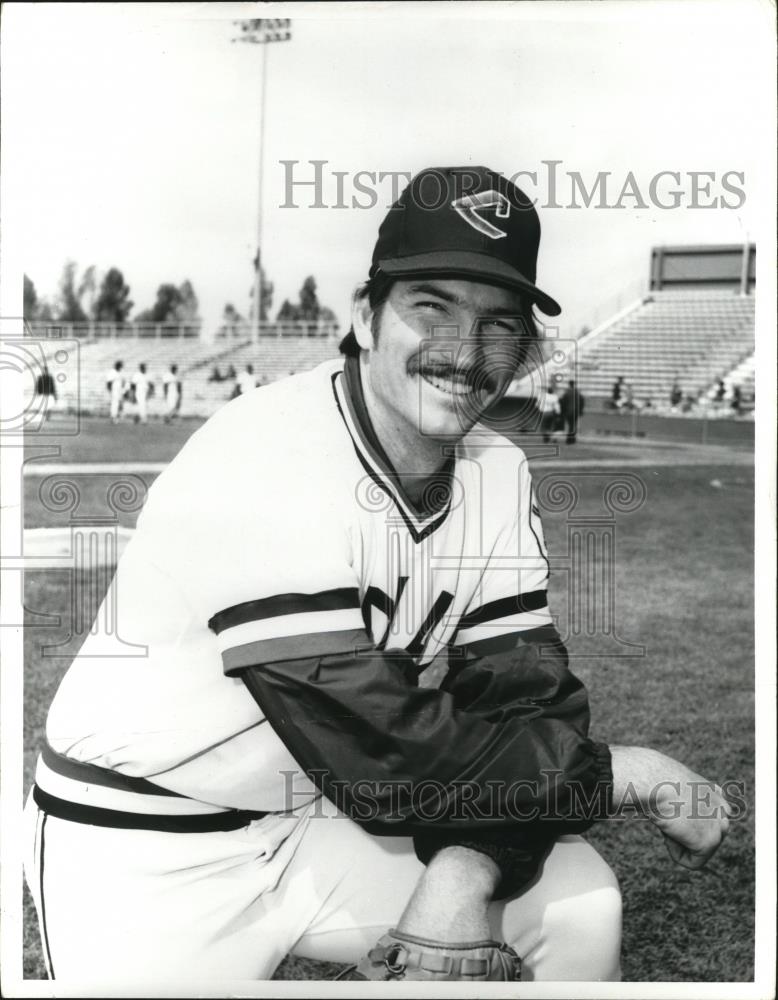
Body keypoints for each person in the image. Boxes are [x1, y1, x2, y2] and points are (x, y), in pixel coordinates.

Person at [24, 166, 731, 987]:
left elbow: (524, 700)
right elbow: (374, 746)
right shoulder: (263, 453)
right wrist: (623, 774)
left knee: (579, 903)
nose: (465, 352)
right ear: (364, 317)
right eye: (430, 306)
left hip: (316, 821)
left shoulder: (495, 471)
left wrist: (466, 870)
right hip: (140, 836)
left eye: (499, 324)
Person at [559, 378, 585, 444]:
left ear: (569, 384)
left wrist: (562, 411)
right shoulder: (577, 392)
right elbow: (582, 401)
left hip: (568, 411)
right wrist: (581, 410)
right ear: (574, 384)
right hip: (575, 411)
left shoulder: (567, 392)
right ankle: (572, 439)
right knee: (573, 425)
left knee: (570, 425)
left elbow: (562, 402)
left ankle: (569, 439)